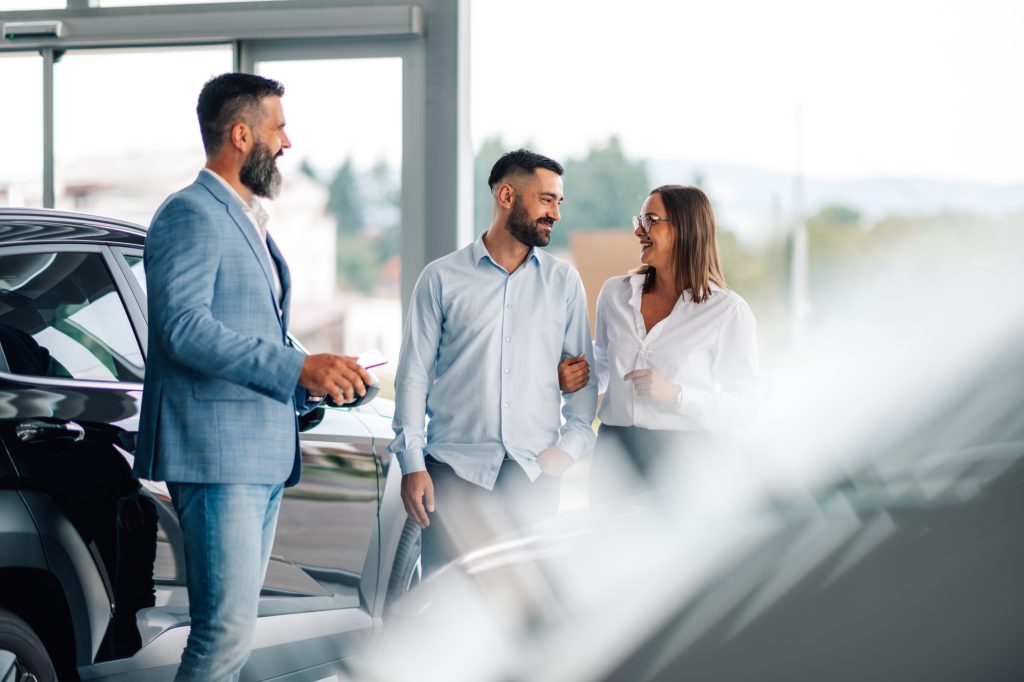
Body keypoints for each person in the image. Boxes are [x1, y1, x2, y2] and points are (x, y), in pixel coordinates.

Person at [133, 72, 370, 681]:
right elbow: (182, 329)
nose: (287, 143)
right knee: (222, 635)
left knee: (233, 635)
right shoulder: (191, 213)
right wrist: (297, 365)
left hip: (256, 454)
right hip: (217, 459)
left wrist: (312, 376)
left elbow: (246, 329)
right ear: (242, 135)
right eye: (278, 128)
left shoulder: (245, 218)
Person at [388, 149, 597, 575]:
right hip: (452, 474)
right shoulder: (441, 279)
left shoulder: (564, 283)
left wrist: (568, 450)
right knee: (445, 606)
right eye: (546, 199)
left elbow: (583, 380)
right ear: (506, 196)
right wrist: (412, 465)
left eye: (559, 201)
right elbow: (412, 377)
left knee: (528, 615)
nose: (555, 213)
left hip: (534, 477)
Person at [561, 185, 760, 503]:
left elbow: (746, 406)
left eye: (651, 220)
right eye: (639, 220)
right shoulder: (615, 294)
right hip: (616, 450)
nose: (639, 230)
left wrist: (678, 395)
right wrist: (575, 377)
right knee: (607, 549)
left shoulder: (727, 311)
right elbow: (603, 362)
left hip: (685, 458)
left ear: (686, 229)